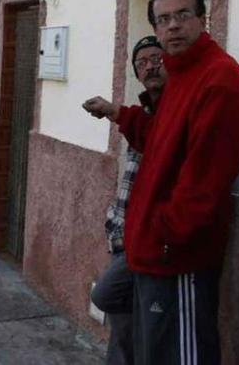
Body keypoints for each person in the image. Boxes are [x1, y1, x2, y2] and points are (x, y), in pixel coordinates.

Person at [86, 0, 239, 365]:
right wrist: (118, 113)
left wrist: (165, 237)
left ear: (202, 19)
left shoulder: (218, 77)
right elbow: (160, 139)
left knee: (181, 355)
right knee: (155, 351)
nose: (173, 26)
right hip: (151, 249)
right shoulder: (180, 76)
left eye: (182, 16)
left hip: (176, 255)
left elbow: (206, 178)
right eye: (163, 20)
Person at [84, 35, 166, 365]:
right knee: (123, 328)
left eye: (156, 59)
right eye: (141, 63)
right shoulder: (144, 110)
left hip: (152, 243)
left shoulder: (174, 110)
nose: (150, 66)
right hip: (125, 237)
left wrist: (114, 111)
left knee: (110, 297)